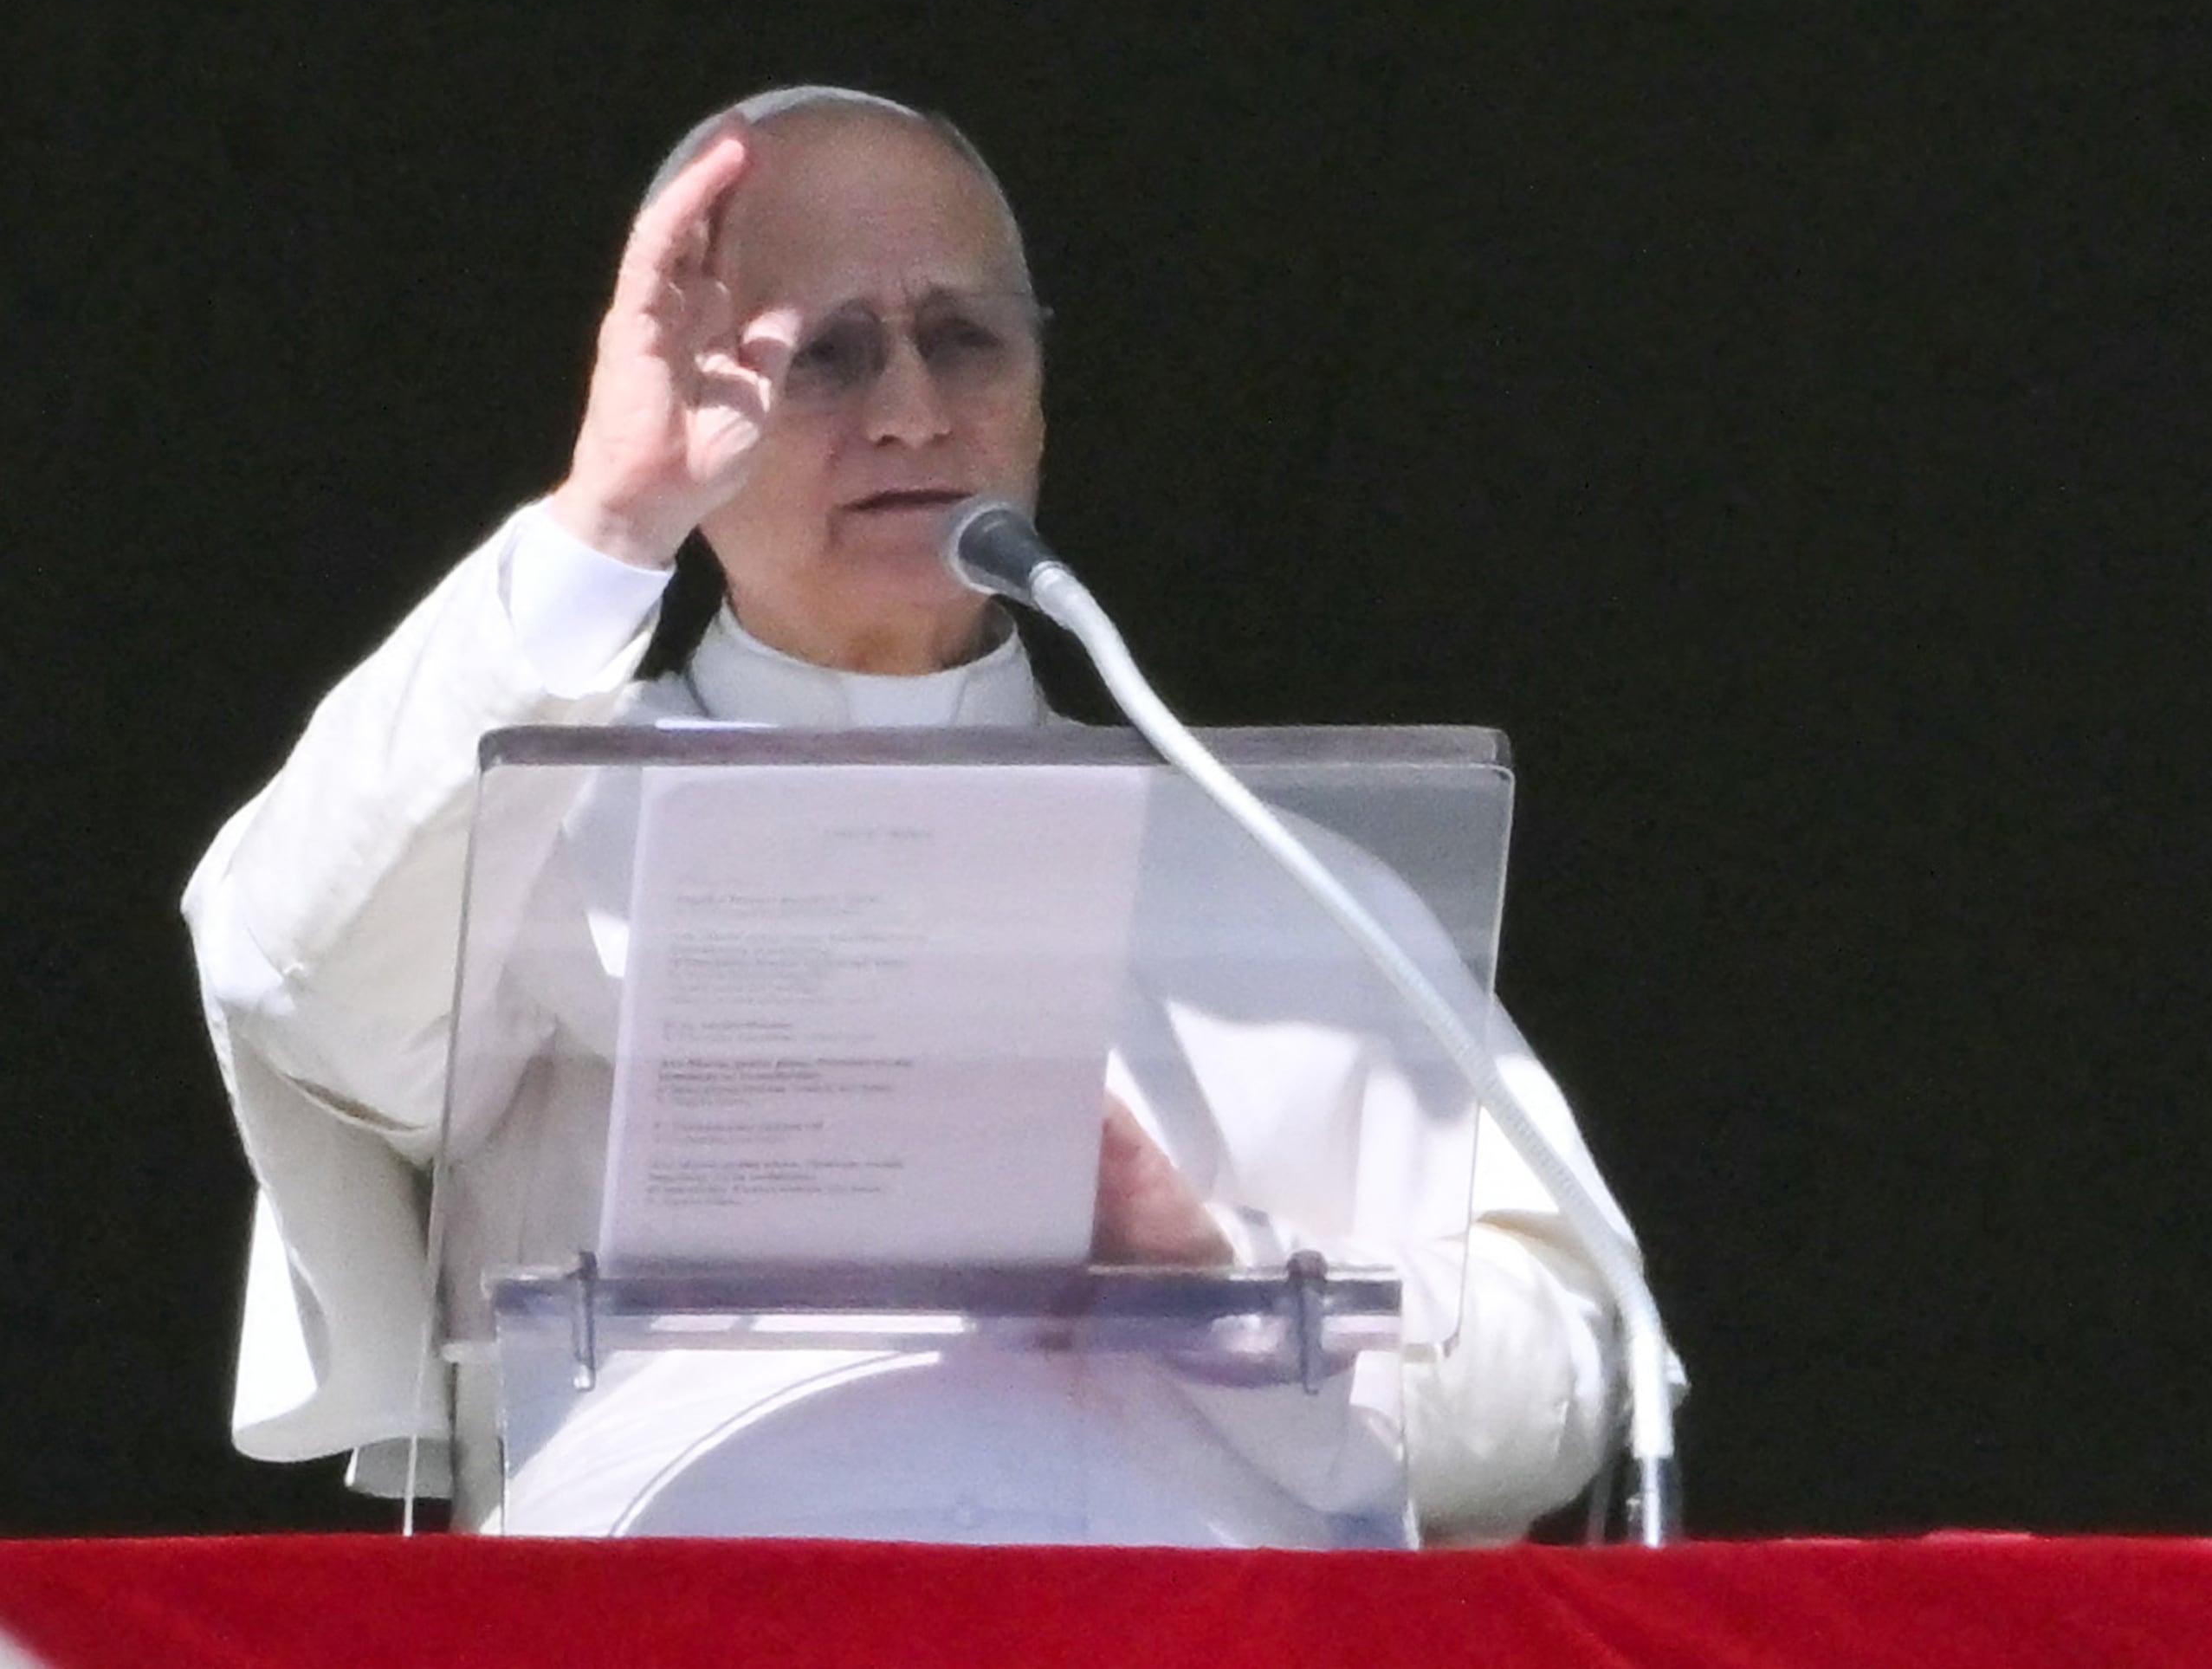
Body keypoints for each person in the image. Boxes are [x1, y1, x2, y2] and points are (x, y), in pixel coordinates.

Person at [185, 87, 1627, 1540]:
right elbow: (296, 984)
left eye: (963, 338)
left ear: (1042, 393)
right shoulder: (522, 825)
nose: (912, 412)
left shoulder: (1282, 885)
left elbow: (1567, 1362)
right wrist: (610, 522)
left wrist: (1210, 1278)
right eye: (824, 353)